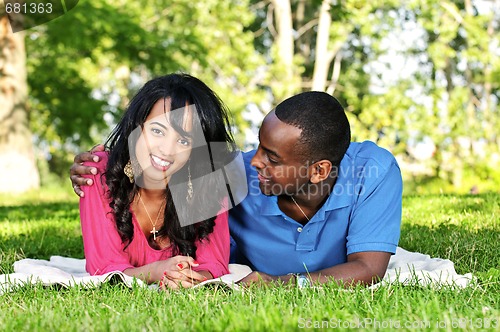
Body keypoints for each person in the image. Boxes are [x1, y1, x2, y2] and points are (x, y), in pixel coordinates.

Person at [71, 91, 402, 287]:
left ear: (319, 171)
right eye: (259, 147)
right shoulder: (231, 173)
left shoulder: (371, 173)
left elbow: (369, 269)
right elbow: (167, 162)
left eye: (271, 157)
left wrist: (278, 285)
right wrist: (100, 166)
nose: (254, 160)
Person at [77, 73, 235, 290]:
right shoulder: (98, 173)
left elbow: (214, 263)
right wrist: (157, 271)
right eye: (157, 131)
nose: (167, 150)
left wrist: (187, 278)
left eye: (183, 140)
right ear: (136, 126)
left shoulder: (209, 182)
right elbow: (102, 267)